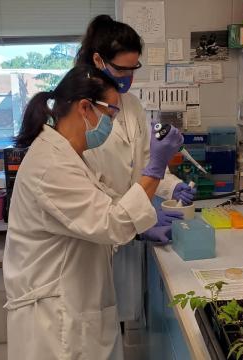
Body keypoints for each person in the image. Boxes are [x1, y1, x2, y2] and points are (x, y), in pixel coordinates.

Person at [3, 65, 183, 360]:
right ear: (85, 107)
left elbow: (96, 213)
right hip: (56, 319)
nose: (111, 125)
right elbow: (111, 223)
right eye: (110, 115)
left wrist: (137, 228)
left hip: (75, 303)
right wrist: (155, 169)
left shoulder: (68, 155)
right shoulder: (51, 165)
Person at [76, 14, 195, 323]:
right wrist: (132, 222)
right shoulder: (83, 111)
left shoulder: (132, 104)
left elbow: (146, 161)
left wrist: (170, 185)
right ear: (99, 60)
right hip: (99, 234)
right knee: (96, 321)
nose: (129, 77)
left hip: (128, 222)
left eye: (133, 69)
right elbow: (90, 187)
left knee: (122, 318)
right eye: (122, 69)